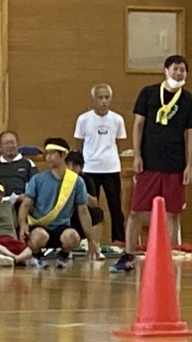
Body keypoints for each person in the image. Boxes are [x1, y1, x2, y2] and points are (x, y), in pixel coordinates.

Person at [110, 55, 192, 273]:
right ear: (165, 70)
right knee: (136, 210)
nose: (178, 73)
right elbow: (138, 125)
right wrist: (137, 155)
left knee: (172, 213)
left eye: (182, 70)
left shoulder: (189, 100)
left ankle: (165, 259)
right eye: (175, 68)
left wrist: (189, 166)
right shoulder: (148, 93)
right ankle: (128, 255)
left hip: (175, 165)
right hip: (148, 163)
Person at [19, 138, 97, 269]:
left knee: (73, 237)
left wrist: (91, 239)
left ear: (63, 155)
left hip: (62, 227)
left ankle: (63, 256)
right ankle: (36, 256)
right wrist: (22, 224)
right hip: (40, 226)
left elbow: (83, 211)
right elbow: (26, 204)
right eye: (47, 153)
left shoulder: (76, 181)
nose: (48, 157)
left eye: (52, 153)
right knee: (39, 236)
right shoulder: (37, 179)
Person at [74, 83, 127, 243]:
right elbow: (79, 143)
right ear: (94, 99)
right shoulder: (83, 119)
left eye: (107, 97)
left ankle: (118, 240)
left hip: (111, 168)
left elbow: (119, 143)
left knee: (115, 206)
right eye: (100, 98)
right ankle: (87, 240)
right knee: (89, 206)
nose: (104, 101)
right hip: (90, 169)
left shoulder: (117, 119)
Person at [0, 131, 38, 206]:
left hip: (21, 203)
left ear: (18, 144)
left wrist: (24, 196)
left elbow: (36, 186)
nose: (10, 146)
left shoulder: (28, 163)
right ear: (0, 146)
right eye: (6, 143)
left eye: (12, 142)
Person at [66, 150, 105, 260]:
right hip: (66, 213)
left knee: (98, 213)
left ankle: (94, 246)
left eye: (75, 165)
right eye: (69, 165)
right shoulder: (61, 179)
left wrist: (81, 192)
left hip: (81, 213)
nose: (72, 168)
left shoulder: (86, 180)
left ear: (81, 167)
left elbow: (94, 203)